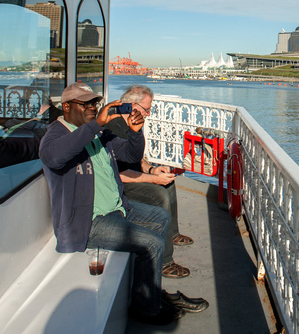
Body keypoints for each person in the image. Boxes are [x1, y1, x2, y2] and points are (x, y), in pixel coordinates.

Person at [39, 82, 205, 325]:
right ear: (66, 107)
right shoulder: (57, 133)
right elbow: (53, 157)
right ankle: (147, 309)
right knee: (151, 243)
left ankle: (149, 291)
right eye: (85, 104)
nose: (93, 108)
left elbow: (129, 156)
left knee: (160, 216)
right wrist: (97, 123)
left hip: (116, 208)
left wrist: (136, 132)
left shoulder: (95, 133)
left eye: (94, 103)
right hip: (88, 223)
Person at [105, 84, 195, 280]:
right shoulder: (112, 126)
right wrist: (154, 179)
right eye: (146, 109)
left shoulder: (130, 122)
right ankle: (165, 262)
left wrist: (153, 170)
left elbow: (136, 158)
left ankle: (172, 233)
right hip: (121, 183)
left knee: (168, 183)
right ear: (131, 105)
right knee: (159, 194)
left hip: (132, 174)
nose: (148, 114)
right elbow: (118, 173)